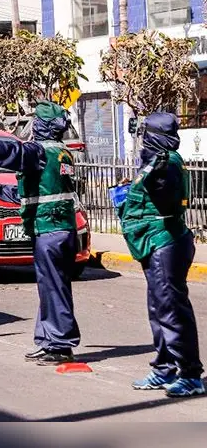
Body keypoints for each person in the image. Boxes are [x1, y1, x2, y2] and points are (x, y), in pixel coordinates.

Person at [0, 101, 81, 364]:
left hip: (50, 231)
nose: (32, 126)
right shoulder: (61, 152)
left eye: (35, 121)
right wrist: (5, 192)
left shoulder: (39, 151)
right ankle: (48, 340)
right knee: (50, 288)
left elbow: (12, 152)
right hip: (61, 228)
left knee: (54, 289)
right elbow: (44, 188)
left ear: (42, 125)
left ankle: (60, 345)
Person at [121, 113, 204, 397]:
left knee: (171, 310)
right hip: (155, 241)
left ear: (154, 136)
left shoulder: (166, 163)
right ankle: (164, 368)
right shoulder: (158, 161)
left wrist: (154, 179)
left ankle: (190, 374)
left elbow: (168, 198)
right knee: (158, 310)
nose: (142, 138)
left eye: (146, 133)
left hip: (165, 242)